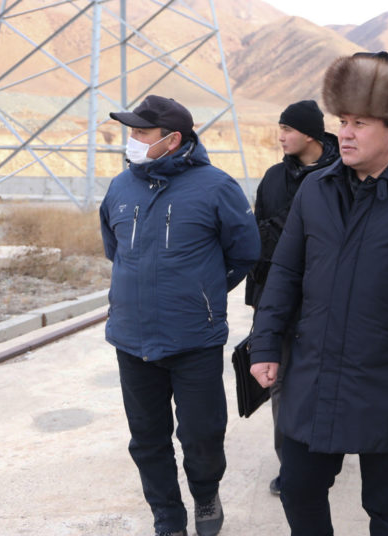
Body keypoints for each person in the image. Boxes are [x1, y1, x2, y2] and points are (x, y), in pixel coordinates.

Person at [249, 51, 388, 536]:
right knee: (299, 487)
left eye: (361, 123)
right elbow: (284, 272)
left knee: (387, 504)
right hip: (314, 372)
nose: (345, 134)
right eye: (343, 121)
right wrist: (264, 343)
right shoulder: (315, 190)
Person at [100, 95, 260, 536]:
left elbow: (245, 252)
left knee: (202, 434)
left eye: (141, 132)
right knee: (147, 438)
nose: (132, 139)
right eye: (132, 131)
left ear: (172, 140)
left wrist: (202, 292)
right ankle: (167, 516)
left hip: (194, 339)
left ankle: (206, 495)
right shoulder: (120, 187)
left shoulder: (216, 187)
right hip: (132, 339)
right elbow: (115, 249)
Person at [245, 99, 339, 495]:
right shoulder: (272, 178)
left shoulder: (343, 173)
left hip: (328, 301)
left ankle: (328, 450)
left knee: (326, 381)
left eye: (288, 129)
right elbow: (258, 240)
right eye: (280, 128)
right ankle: (291, 467)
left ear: (311, 134)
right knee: (281, 384)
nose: (280, 136)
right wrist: (259, 304)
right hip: (280, 298)